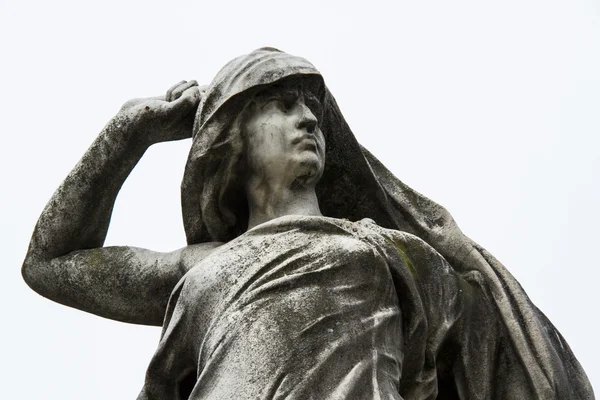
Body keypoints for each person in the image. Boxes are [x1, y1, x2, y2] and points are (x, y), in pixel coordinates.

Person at [22, 48, 593, 399]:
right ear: (232, 139)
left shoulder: (394, 253)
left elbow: (506, 362)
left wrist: (466, 268)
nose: (309, 118)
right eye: (284, 104)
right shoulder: (203, 266)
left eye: (312, 107)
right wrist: (129, 133)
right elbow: (49, 263)